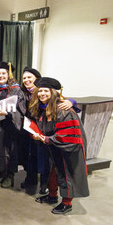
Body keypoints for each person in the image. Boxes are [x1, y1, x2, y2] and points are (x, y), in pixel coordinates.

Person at [29, 77, 89, 214]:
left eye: (46, 91)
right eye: (40, 91)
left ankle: (67, 204)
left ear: (53, 93)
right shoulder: (42, 108)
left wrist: (45, 138)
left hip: (68, 148)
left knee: (67, 174)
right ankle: (52, 196)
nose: (42, 93)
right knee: (53, 171)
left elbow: (67, 136)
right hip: (54, 147)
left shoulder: (63, 110)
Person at [20, 67, 76, 194]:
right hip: (31, 130)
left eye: (30, 77)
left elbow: (62, 100)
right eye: (24, 78)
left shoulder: (47, 91)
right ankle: (31, 180)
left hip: (46, 134)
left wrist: (71, 101)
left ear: (37, 79)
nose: (26, 80)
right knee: (31, 157)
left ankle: (45, 185)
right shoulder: (22, 92)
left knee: (47, 160)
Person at [0, 62, 26, 188]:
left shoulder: (16, 89)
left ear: (8, 74)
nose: (1, 76)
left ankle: (10, 174)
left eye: (3, 73)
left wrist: (8, 112)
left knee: (11, 148)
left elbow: (21, 108)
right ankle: (1, 171)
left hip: (10, 123)